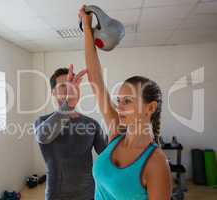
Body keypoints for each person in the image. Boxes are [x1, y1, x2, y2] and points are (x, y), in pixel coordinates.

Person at [78, 6, 172, 200]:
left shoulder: (156, 163)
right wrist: (87, 29)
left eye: (127, 101)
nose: (119, 107)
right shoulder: (116, 134)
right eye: (119, 100)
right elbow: (95, 80)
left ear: (150, 108)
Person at [34, 66, 108, 200]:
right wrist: (68, 105)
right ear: (53, 92)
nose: (68, 89)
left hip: (88, 194)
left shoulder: (91, 124)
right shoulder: (42, 122)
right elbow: (43, 136)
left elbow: (107, 153)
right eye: (63, 85)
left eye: (71, 85)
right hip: (56, 196)